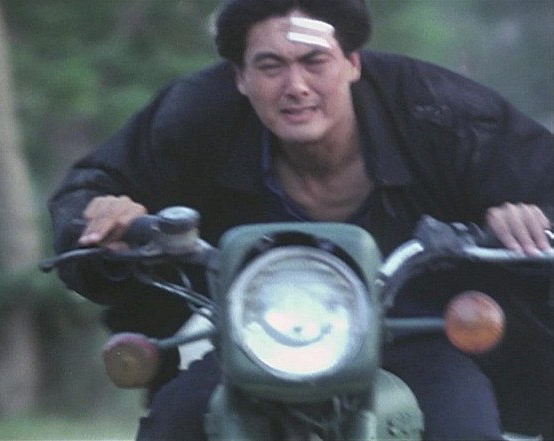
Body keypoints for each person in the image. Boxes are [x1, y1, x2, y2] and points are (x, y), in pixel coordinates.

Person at [47, 0, 554, 439]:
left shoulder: (435, 110)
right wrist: (107, 219)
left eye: (315, 61)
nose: (296, 86)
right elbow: (89, 189)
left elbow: (543, 181)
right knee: (175, 419)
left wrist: (521, 220)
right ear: (240, 78)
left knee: (466, 426)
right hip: (258, 336)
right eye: (270, 66)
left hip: (415, 328)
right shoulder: (196, 117)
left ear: (352, 63)